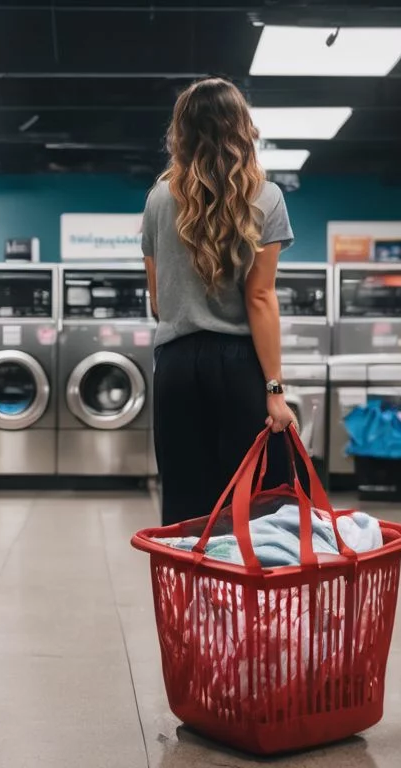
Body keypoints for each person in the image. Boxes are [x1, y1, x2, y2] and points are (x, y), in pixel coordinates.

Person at [141, 77, 297, 528]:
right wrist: (275, 392)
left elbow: (157, 299)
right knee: (253, 507)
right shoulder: (266, 197)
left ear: (181, 131)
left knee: (186, 510)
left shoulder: (158, 199)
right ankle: (242, 576)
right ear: (241, 126)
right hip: (238, 367)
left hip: (175, 366)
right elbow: (260, 297)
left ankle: (189, 578)